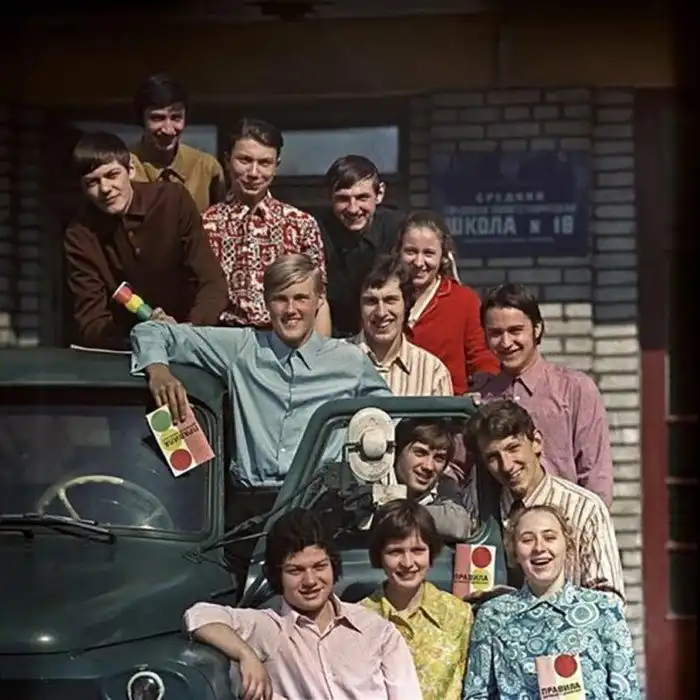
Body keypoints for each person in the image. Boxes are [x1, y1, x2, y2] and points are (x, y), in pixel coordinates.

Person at [130, 253, 390, 488]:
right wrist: (159, 372)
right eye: (280, 299)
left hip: (318, 500)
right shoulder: (243, 348)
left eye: (301, 298)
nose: (291, 310)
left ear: (319, 300)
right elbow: (151, 330)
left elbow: (392, 416)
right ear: (266, 302)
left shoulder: (349, 361)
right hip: (252, 502)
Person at [184, 508, 423, 700]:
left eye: (319, 567)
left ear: (333, 566)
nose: (310, 581)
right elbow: (198, 616)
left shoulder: (377, 631)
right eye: (295, 570)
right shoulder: (268, 627)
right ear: (277, 575)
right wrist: (246, 654)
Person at [64, 131, 228, 350]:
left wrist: (187, 332)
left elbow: (212, 282)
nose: (105, 189)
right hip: (127, 348)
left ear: (130, 169)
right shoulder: (80, 235)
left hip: (191, 338)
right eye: (92, 182)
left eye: (112, 175)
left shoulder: (173, 201)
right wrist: (147, 337)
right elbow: (91, 321)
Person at [462, 504, 641, 700]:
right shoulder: (493, 615)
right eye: (527, 540)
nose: (539, 548)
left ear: (568, 546)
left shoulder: (604, 610)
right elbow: (476, 694)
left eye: (549, 537)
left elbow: (627, 694)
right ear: (514, 552)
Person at [469, 282, 613, 507]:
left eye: (515, 331)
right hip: (500, 523)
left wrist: (588, 520)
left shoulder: (574, 389)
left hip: (563, 519)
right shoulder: (480, 398)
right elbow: (459, 467)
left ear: (537, 329)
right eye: (496, 333)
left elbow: (595, 474)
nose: (506, 343)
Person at [464, 399, 624, 600]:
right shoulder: (477, 508)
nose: (507, 465)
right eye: (493, 457)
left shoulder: (585, 509)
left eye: (513, 448)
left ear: (536, 442)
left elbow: (609, 599)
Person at [202, 117, 330, 334]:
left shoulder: (300, 224)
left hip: (283, 339)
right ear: (227, 160)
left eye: (264, 163)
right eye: (244, 160)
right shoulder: (205, 224)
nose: (254, 173)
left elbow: (319, 300)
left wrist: (318, 352)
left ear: (276, 166)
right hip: (222, 339)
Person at [363, 499, 474, 700]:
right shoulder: (359, 620)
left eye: (417, 550)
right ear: (379, 556)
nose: (407, 563)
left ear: (431, 552)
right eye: (395, 551)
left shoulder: (458, 615)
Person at [395, 210, 499, 394]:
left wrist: (483, 385)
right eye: (411, 252)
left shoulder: (464, 301)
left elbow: (482, 358)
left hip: (448, 405)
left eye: (429, 253)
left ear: (443, 256)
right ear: (398, 252)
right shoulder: (384, 299)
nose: (419, 262)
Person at [318, 155, 405, 337]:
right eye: (343, 199)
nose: (353, 208)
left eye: (362, 198)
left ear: (379, 194)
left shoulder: (399, 230)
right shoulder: (316, 233)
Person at [352, 255, 453, 396]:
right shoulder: (333, 361)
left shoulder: (433, 373)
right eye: (371, 301)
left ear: (406, 304)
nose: (381, 312)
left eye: (390, 300)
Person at [130, 73, 225, 212]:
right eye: (157, 118)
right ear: (141, 119)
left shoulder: (206, 168)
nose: (168, 130)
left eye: (176, 118)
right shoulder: (124, 167)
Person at [376, 418, 472, 541]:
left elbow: (458, 525)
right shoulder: (372, 479)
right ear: (397, 452)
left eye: (439, 458)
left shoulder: (444, 485)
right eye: (420, 453)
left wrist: (389, 511)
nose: (428, 466)